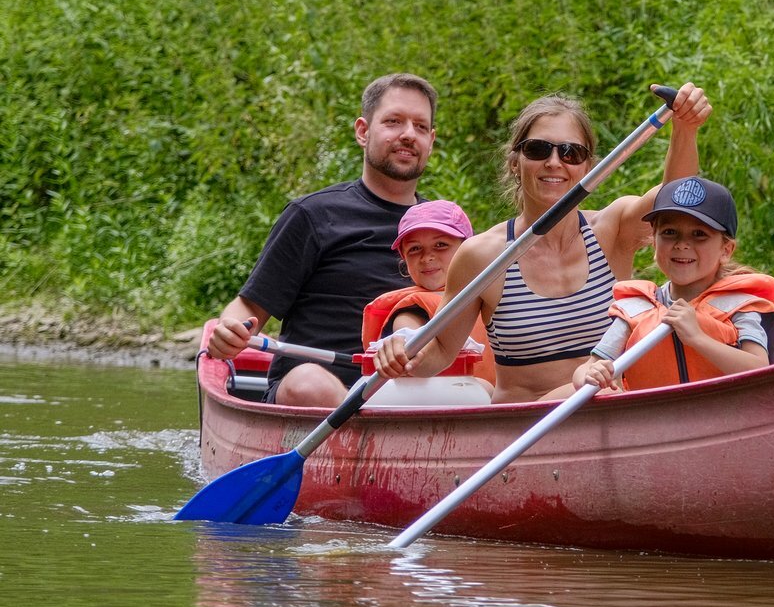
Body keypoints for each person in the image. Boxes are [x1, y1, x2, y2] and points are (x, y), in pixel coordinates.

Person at [373, 82, 712, 403]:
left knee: (601, 394)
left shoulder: (613, 230)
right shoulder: (483, 255)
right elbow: (442, 352)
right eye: (537, 149)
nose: (554, 162)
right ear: (515, 162)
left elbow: (678, 199)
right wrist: (400, 354)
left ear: (587, 166)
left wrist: (685, 127)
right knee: (591, 394)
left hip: (610, 414)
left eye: (570, 152)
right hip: (526, 429)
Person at [205, 72, 439, 406]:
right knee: (308, 383)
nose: (408, 134)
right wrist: (229, 331)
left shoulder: (447, 228)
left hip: (413, 392)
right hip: (317, 396)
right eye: (393, 121)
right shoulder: (313, 215)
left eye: (419, 126)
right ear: (363, 131)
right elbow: (248, 308)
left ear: (431, 140)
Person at [570, 175, 774, 395]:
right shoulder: (636, 309)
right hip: (656, 423)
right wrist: (589, 374)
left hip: (729, 420)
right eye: (670, 233)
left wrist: (697, 338)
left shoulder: (740, 306)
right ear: (654, 243)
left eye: (699, 234)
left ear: (726, 250)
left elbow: (759, 368)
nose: (682, 244)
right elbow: (588, 367)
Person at [360, 199, 496, 388]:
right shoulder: (412, 307)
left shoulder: (493, 291)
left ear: (466, 249)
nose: (427, 257)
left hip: (511, 396)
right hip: (459, 399)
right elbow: (406, 332)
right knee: (483, 387)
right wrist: (402, 345)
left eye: (440, 245)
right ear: (404, 259)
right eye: (415, 249)